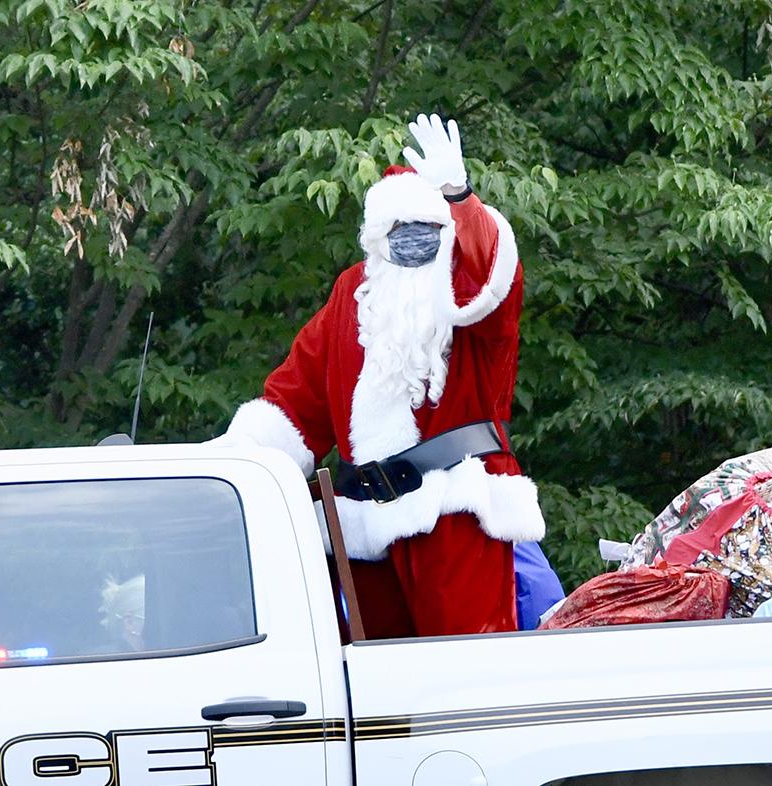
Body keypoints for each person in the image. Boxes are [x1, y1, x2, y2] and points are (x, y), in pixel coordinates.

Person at [213, 113, 549, 637]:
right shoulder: (353, 293)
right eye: (399, 230)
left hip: (454, 512)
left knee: (461, 678)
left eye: (428, 228)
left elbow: (492, 272)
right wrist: (230, 470)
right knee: (377, 698)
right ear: (375, 235)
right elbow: (294, 406)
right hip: (362, 524)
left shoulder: (463, 292)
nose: (414, 241)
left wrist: (459, 197)